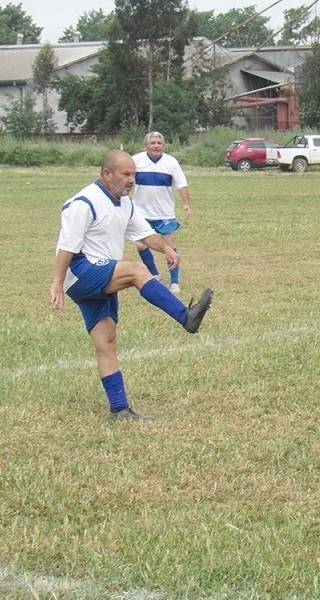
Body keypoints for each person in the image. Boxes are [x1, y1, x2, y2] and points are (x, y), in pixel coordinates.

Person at [50, 150, 214, 421]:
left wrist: (168, 250)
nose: (131, 180)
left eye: (133, 175)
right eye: (126, 175)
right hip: (80, 271)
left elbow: (144, 234)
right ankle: (186, 316)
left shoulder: (125, 203)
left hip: (101, 274)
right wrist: (56, 283)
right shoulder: (84, 202)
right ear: (106, 174)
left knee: (107, 342)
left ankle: (119, 409)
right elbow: (67, 247)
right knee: (138, 270)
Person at [132, 132, 192, 294]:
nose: (156, 146)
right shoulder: (136, 160)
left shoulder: (171, 162)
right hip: (141, 212)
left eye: (159, 143)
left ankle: (174, 282)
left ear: (163, 146)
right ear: (146, 146)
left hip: (164, 213)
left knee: (169, 246)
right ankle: (154, 274)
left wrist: (186, 203)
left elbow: (181, 183)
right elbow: (126, 180)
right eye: (153, 143)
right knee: (140, 244)